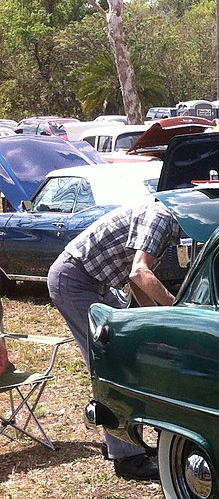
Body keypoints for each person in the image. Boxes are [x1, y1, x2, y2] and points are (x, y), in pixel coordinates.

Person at [48, 200, 183, 480]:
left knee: (128, 350)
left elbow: (135, 282)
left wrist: (157, 321)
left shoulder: (166, 222)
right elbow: (139, 273)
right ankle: (127, 458)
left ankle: (125, 439)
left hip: (96, 282)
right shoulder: (161, 218)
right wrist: (176, 310)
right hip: (74, 281)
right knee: (111, 363)